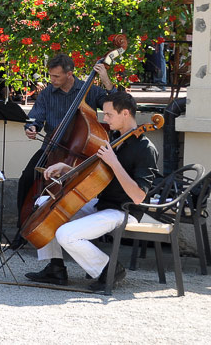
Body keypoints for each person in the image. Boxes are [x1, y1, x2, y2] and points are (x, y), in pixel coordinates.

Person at [24, 92, 158, 290]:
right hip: (102, 204)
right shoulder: (113, 139)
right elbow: (96, 175)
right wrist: (65, 168)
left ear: (126, 113)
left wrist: (114, 163)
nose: (105, 119)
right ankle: (56, 268)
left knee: (66, 234)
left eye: (109, 114)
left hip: (123, 210)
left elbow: (138, 196)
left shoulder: (145, 149)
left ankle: (109, 270)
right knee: (44, 203)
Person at [10, 53, 115, 250]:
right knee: (27, 178)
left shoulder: (89, 91)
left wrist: (106, 80)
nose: (52, 80)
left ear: (70, 74)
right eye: (50, 76)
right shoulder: (47, 93)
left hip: (80, 152)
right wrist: (31, 128)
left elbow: (116, 105)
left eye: (56, 76)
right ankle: (22, 229)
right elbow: (35, 117)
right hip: (51, 147)